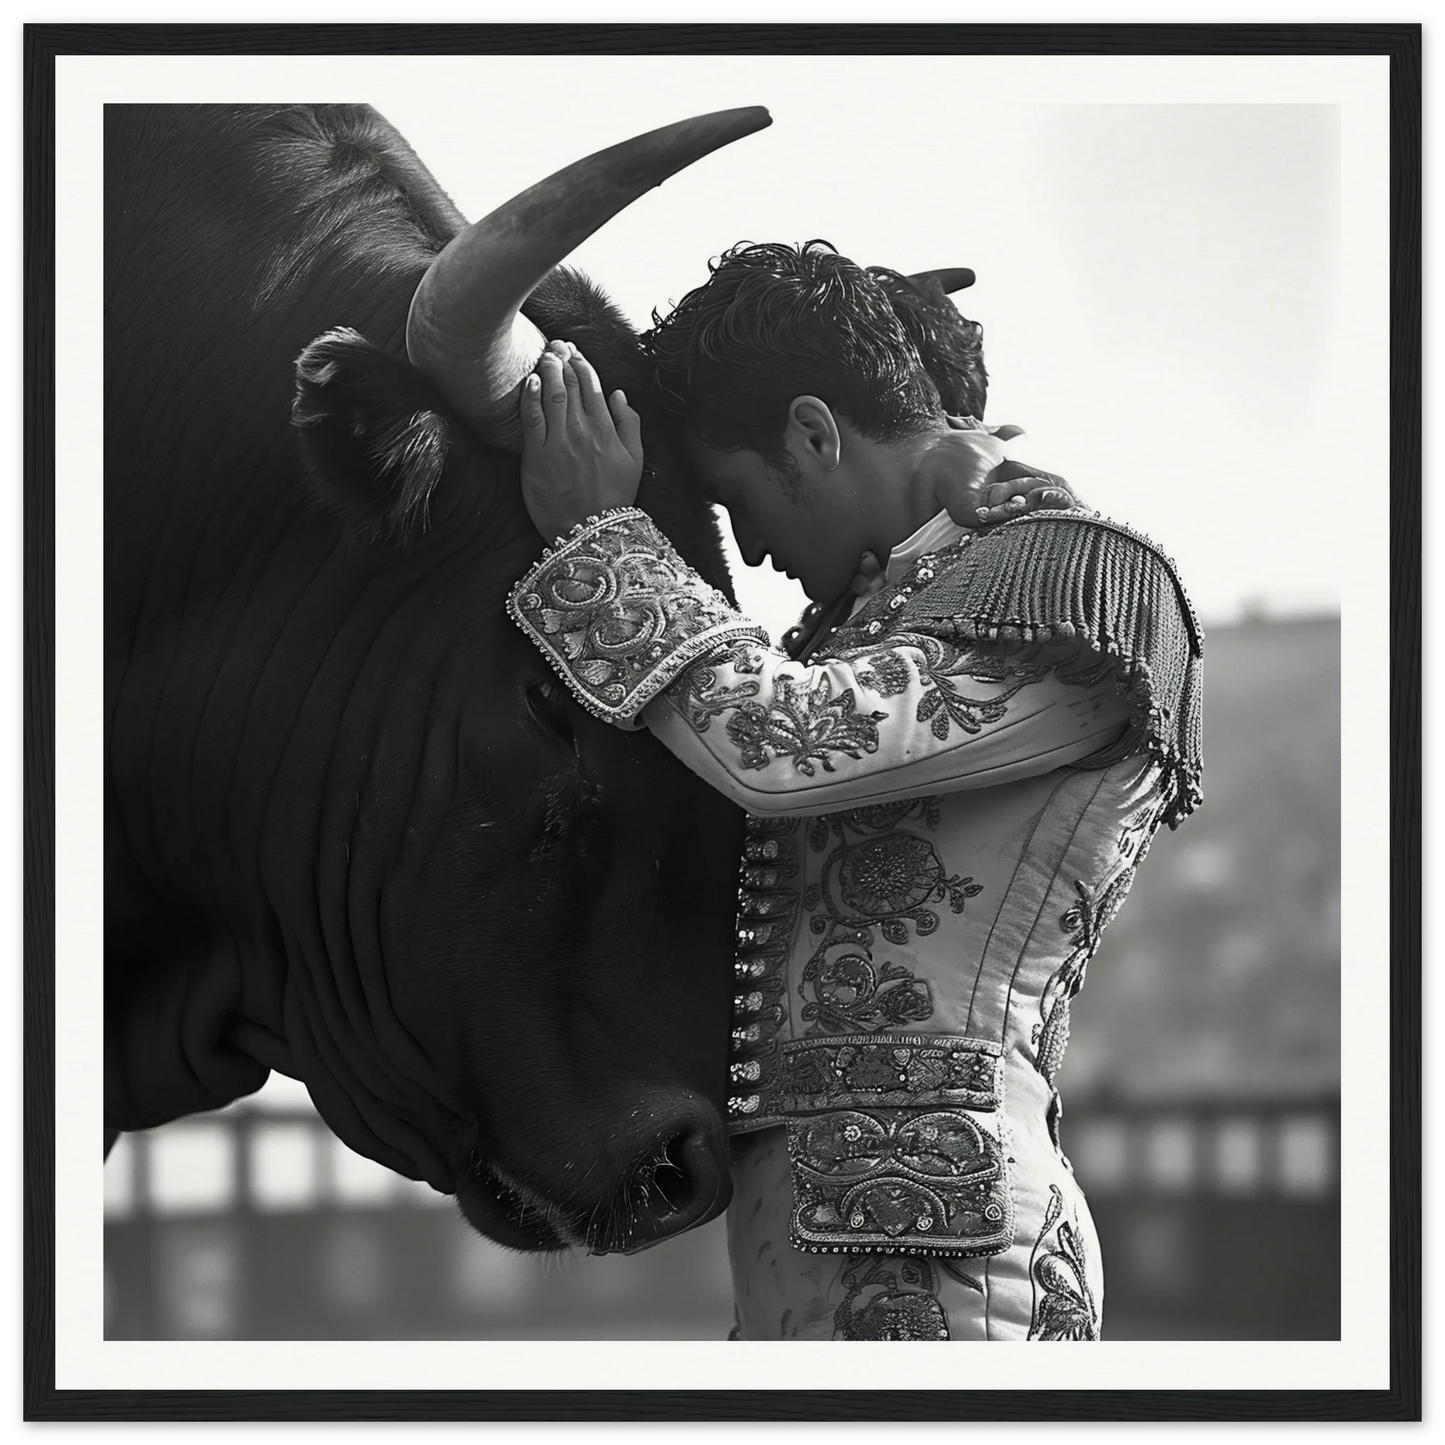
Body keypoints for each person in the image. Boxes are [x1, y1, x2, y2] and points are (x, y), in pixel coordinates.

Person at [506, 242, 1203, 1341]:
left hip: (954, 1256)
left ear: (814, 432)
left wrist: (601, 539)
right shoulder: (879, 612)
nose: (749, 552)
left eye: (734, 497)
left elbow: (780, 743)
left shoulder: (1081, 581)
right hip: (820, 1246)